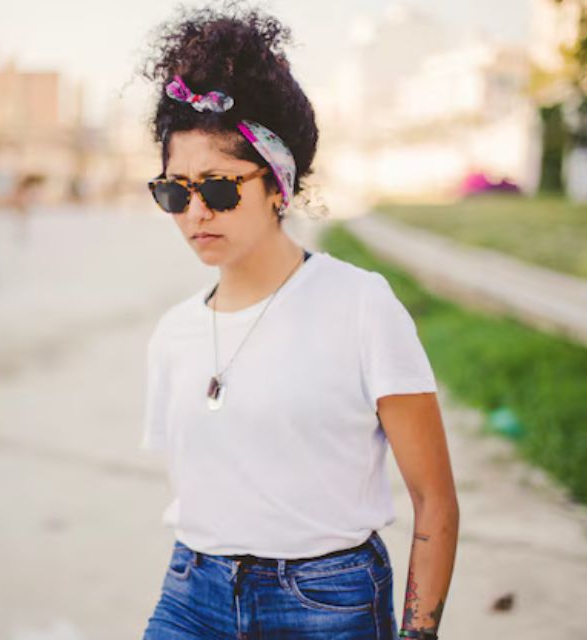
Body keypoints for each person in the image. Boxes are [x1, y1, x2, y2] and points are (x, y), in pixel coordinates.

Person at [138, 4, 459, 639]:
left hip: (325, 601)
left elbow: (436, 502)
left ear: (278, 186)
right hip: (192, 590)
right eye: (175, 191)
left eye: (221, 187)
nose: (195, 212)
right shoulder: (173, 333)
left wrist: (418, 634)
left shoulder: (360, 304)